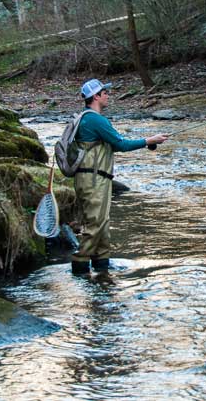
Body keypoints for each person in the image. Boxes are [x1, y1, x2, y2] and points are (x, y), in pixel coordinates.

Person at [70, 78, 169, 275]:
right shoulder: (94, 119)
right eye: (104, 92)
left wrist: (146, 142)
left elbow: (114, 145)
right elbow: (121, 144)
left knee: (102, 225)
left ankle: (102, 269)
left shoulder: (87, 119)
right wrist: (149, 139)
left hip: (96, 178)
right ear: (95, 96)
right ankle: (79, 268)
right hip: (93, 180)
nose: (108, 95)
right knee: (95, 225)